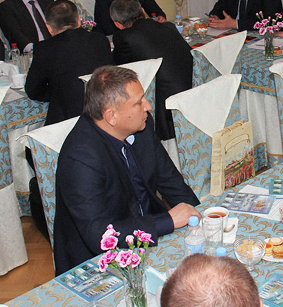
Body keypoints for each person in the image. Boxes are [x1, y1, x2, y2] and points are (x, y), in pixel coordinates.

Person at [53, 65, 200, 274]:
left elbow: (171, 180)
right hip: (100, 261)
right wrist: (167, 221)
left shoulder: (141, 126)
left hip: (148, 235)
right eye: (138, 103)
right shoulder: (80, 159)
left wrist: (200, 218)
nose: (148, 106)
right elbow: (99, 235)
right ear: (111, 116)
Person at [110, 0, 192, 140]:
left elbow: (121, 72)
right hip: (192, 91)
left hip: (164, 107)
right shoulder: (169, 26)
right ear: (143, 11)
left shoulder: (124, 37)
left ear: (117, 24)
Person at [25, 0, 115, 126]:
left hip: (68, 121)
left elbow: (33, 90)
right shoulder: (100, 39)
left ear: (49, 28)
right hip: (105, 111)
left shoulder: (44, 49)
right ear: (78, 20)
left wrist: (59, 91)